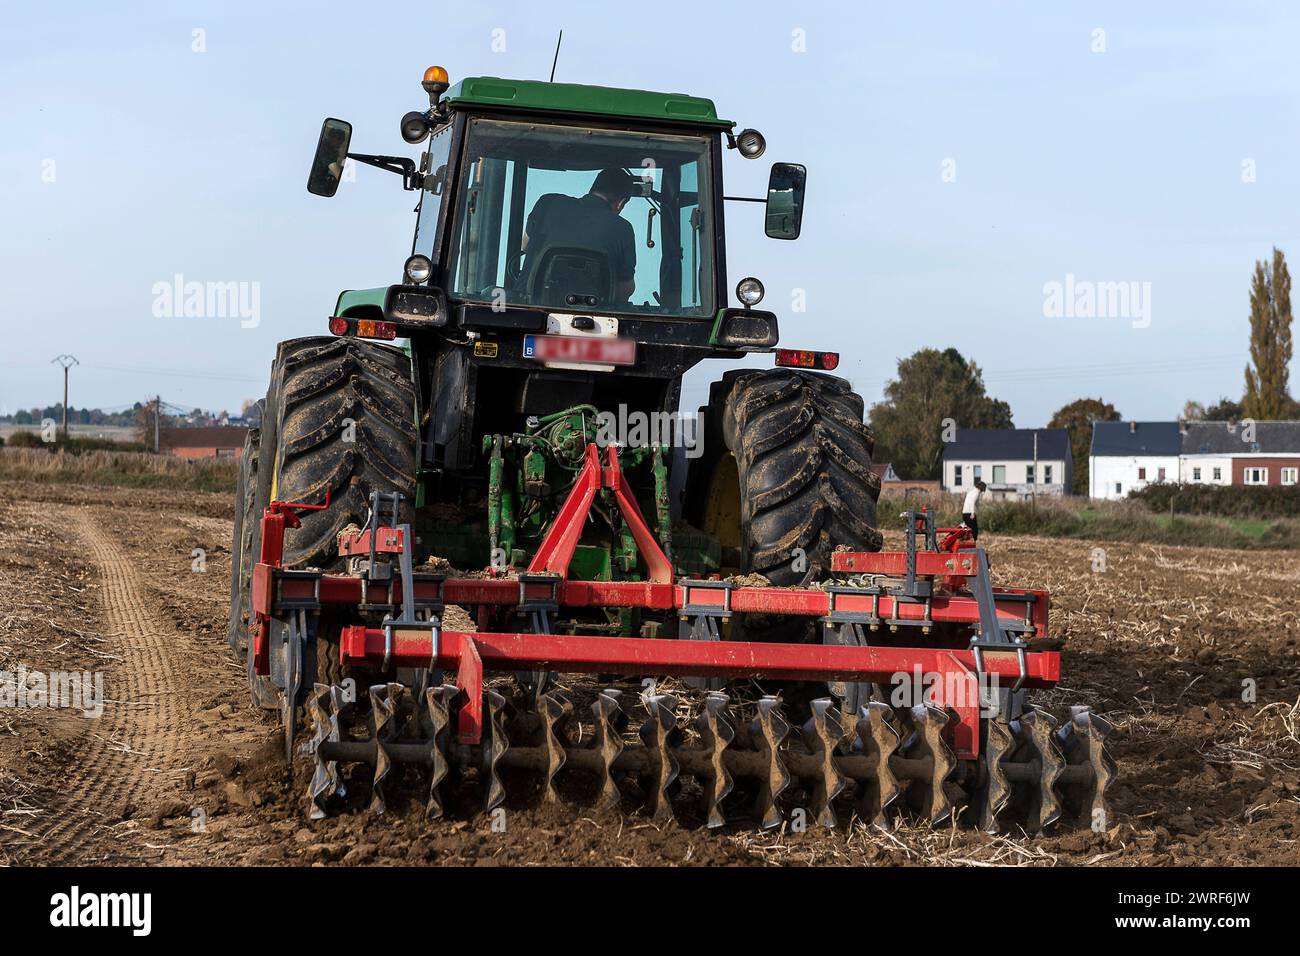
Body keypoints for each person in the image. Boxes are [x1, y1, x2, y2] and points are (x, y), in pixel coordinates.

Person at [520, 166, 638, 302]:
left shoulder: (547, 203)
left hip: (526, 308)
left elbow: (525, 246)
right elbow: (624, 289)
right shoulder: (623, 228)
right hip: (594, 316)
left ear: (593, 188)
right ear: (621, 203)